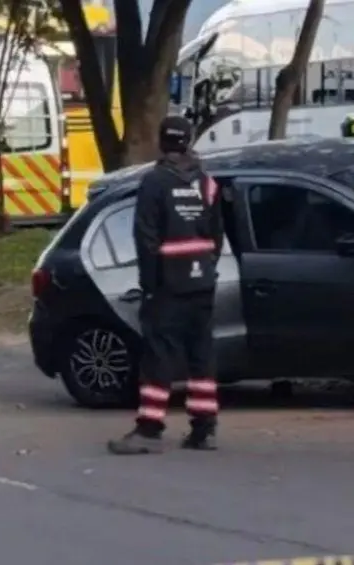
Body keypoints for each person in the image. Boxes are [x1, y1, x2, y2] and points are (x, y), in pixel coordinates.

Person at [108, 115, 223, 455]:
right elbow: (216, 233)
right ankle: (205, 428)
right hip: (202, 281)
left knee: (158, 356)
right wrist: (206, 267)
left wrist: (150, 285)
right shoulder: (206, 182)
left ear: (162, 142)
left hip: (167, 284)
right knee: (201, 355)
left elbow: (146, 239)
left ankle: (150, 429)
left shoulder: (155, 182)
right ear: (188, 142)